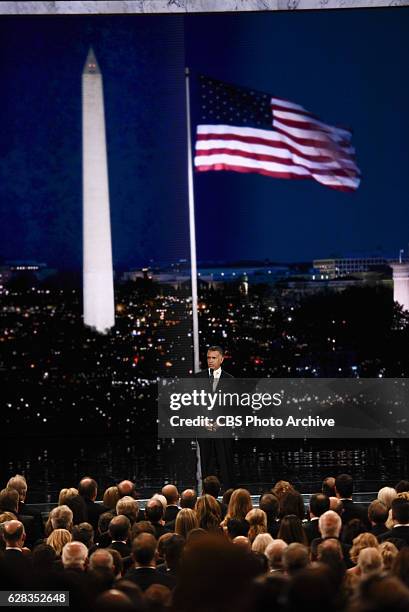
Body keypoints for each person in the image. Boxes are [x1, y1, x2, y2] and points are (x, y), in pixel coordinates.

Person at [194, 346, 235, 488]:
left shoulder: (230, 380)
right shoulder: (197, 378)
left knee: (225, 465)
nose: (210, 361)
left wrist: (220, 422)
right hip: (204, 429)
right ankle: (208, 498)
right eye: (208, 358)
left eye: (214, 358)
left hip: (223, 430)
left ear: (221, 359)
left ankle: (229, 496)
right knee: (206, 465)